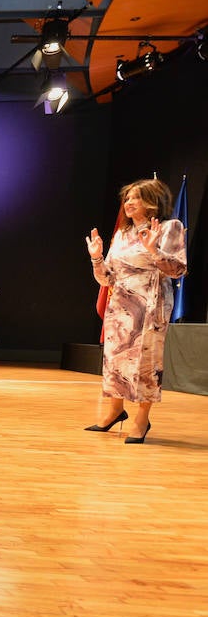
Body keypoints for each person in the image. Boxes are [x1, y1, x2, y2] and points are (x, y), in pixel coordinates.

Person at [85, 178, 187, 443]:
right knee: (116, 359)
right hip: (119, 306)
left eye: (135, 198)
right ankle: (115, 411)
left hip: (151, 305)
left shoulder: (169, 227)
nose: (128, 203)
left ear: (152, 200)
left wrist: (154, 250)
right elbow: (107, 277)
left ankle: (142, 419)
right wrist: (97, 257)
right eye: (127, 198)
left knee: (145, 363)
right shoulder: (122, 233)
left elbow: (178, 270)